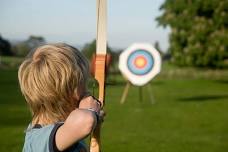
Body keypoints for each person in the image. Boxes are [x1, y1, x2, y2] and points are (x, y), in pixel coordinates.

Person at [18, 43, 104, 152]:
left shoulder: (65, 128)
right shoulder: (39, 140)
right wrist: (90, 111)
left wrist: (96, 115)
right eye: (83, 83)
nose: (86, 91)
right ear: (71, 91)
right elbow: (86, 121)